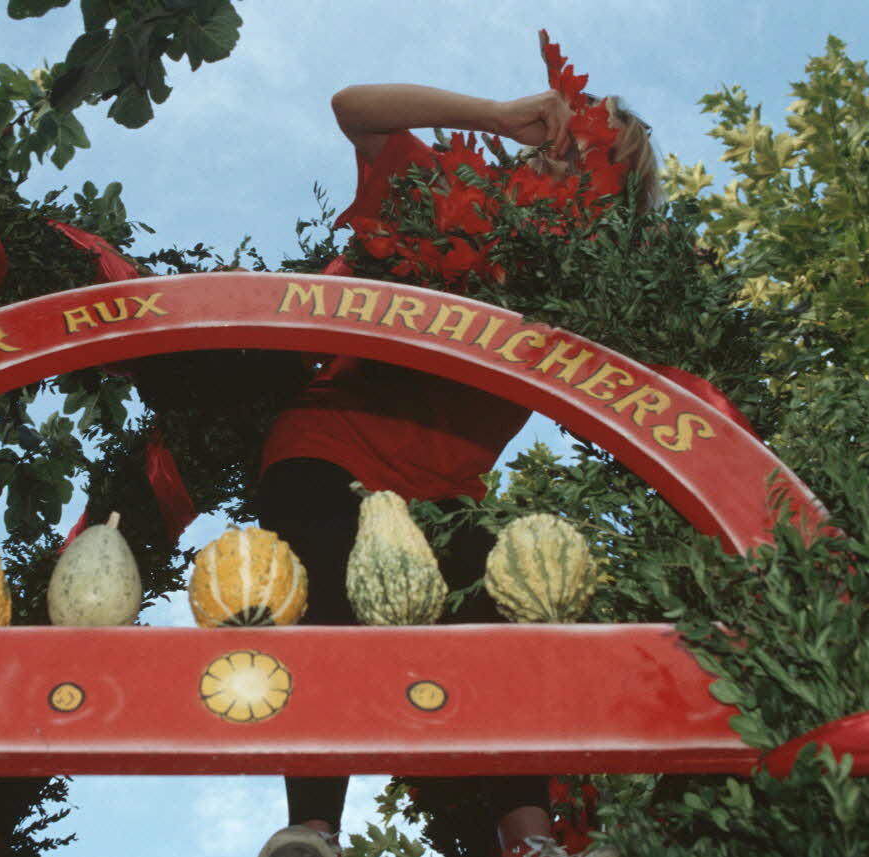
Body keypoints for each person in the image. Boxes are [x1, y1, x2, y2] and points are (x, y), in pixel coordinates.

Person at [254, 80, 659, 857]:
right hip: (331, 445)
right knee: (331, 597)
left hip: (445, 497)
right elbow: (352, 108)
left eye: (598, 164)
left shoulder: (590, 291)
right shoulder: (452, 194)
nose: (572, 164)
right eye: (564, 145)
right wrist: (496, 117)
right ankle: (311, 830)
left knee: (498, 610)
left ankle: (531, 840)